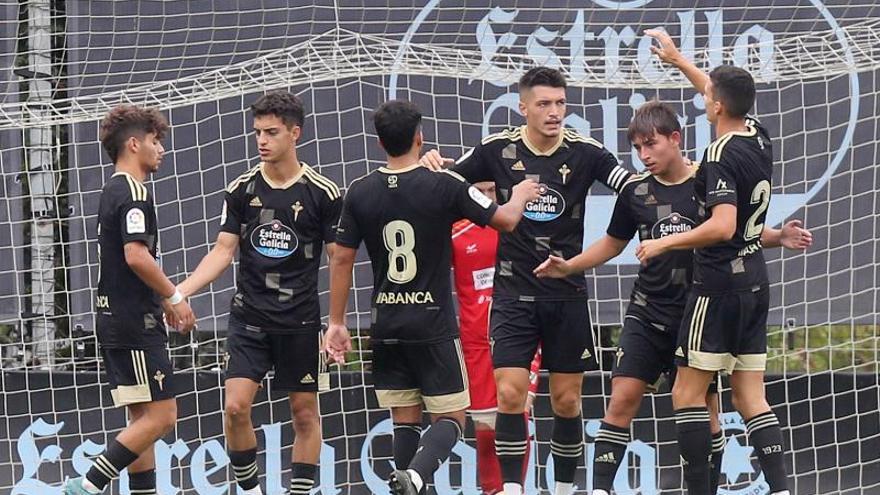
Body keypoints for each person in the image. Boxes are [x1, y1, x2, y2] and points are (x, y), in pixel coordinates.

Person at [534, 100, 812, 494]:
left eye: (652, 145)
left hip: (696, 314)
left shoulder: (706, 179)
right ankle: (599, 489)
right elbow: (613, 244)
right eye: (638, 149)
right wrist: (571, 265)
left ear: (675, 139)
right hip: (648, 312)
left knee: (707, 413)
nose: (645, 155)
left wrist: (777, 237)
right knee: (622, 397)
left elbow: (732, 230)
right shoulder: (634, 191)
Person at [421, 66, 631, 495]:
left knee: (567, 401)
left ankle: (565, 488)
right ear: (523, 108)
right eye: (544, 104)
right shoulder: (497, 150)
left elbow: (632, 188)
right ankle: (514, 489)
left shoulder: (587, 152)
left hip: (567, 293)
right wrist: (430, 165)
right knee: (510, 395)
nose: (554, 113)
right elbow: (446, 185)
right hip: (514, 294)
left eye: (560, 104)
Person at [325, 99, 541, 495]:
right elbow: (506, 220)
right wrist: (522, 194)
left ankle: (410, 481)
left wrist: (336, 322)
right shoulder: (444, 184)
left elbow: (340, 256)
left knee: (405, 420)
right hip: (433, 323)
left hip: (386, 323)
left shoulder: (359, 190)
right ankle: (418, 476)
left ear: (379, 143)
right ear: (420, 138)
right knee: (452, 419)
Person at [636, 30, 795, 494]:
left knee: (686, 394)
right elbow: (716, 88)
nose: (704, 98)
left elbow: (723, 226)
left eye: (708, 97)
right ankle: (783, 489)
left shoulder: (719, 154)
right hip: (755, 280)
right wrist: (678, 59)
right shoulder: (757, 134)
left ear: (718, 106)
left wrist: (665, 244)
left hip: (720, 282)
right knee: (750, 396)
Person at [177, 92, 342, 495]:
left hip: (300, 321)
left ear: (295, 133)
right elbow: (223, 250)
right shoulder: (241, 189)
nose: (262, 140)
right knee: (235, 408)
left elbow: (339, 259)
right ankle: (250, 490)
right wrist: (179, 291)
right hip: (249, 319)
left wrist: (337, 321)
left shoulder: (323, 193)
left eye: (271, 132)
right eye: (257, 133)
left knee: (304, 415)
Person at [64, 105, 196, 495]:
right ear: (135, 144)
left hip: (114, 317)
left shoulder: (111, 189)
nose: (162, 150)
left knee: (141, 417)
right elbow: (136, 255)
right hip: (134, 322)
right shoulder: (134, 192)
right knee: (163, 416)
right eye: (156, 142)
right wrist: (172, 295)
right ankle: (88, 484)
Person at [450, 183, 542, 494]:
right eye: (480, 191)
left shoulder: (517, 225)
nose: (487, 199)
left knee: (517, 411)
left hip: (519, 330)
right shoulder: (456, 231)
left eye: (493, 191)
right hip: (476, 338)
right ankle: (492, 489)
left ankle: (516, 488)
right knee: (487, 428)